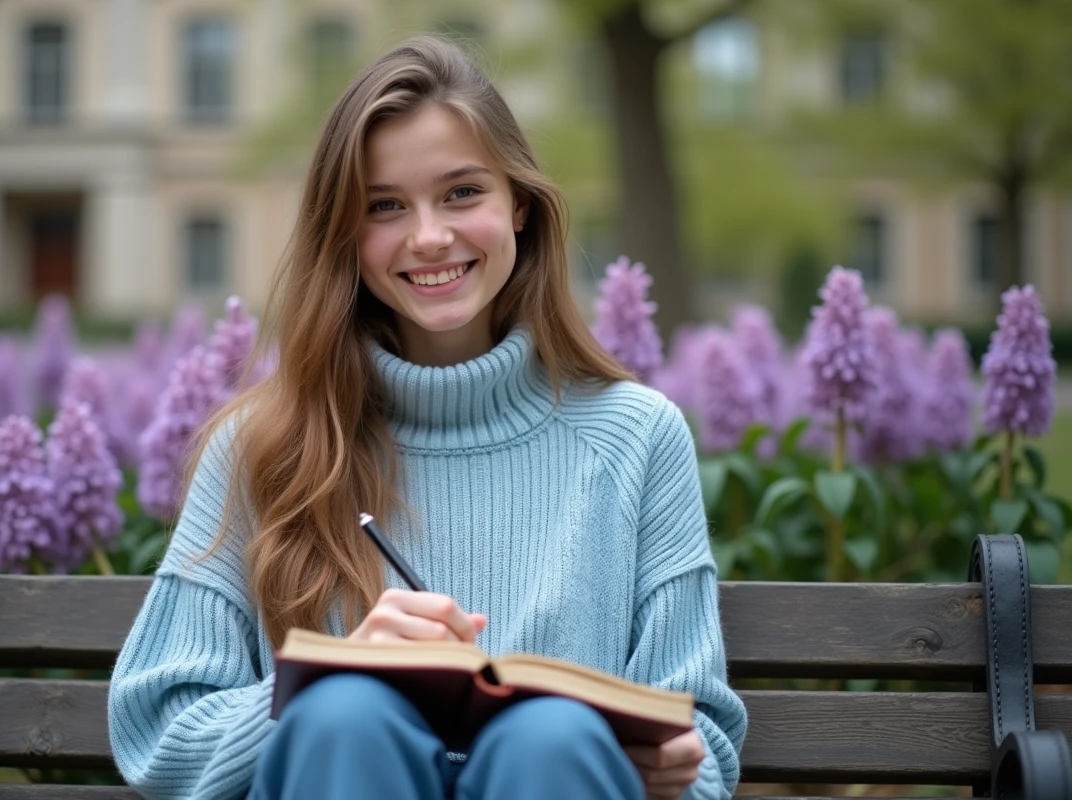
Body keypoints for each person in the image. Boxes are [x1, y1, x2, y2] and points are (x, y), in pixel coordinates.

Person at [108, 34, 747, 800]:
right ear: (344, 235)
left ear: (519, 204)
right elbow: (159, 731)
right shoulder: (262, 446)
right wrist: (320, 692)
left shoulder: (638, 438)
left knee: (551, 737)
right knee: (345, 718)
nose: (429, 236)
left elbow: (700, 737)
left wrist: (665, 767)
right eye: (384, 206)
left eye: (461, 193)